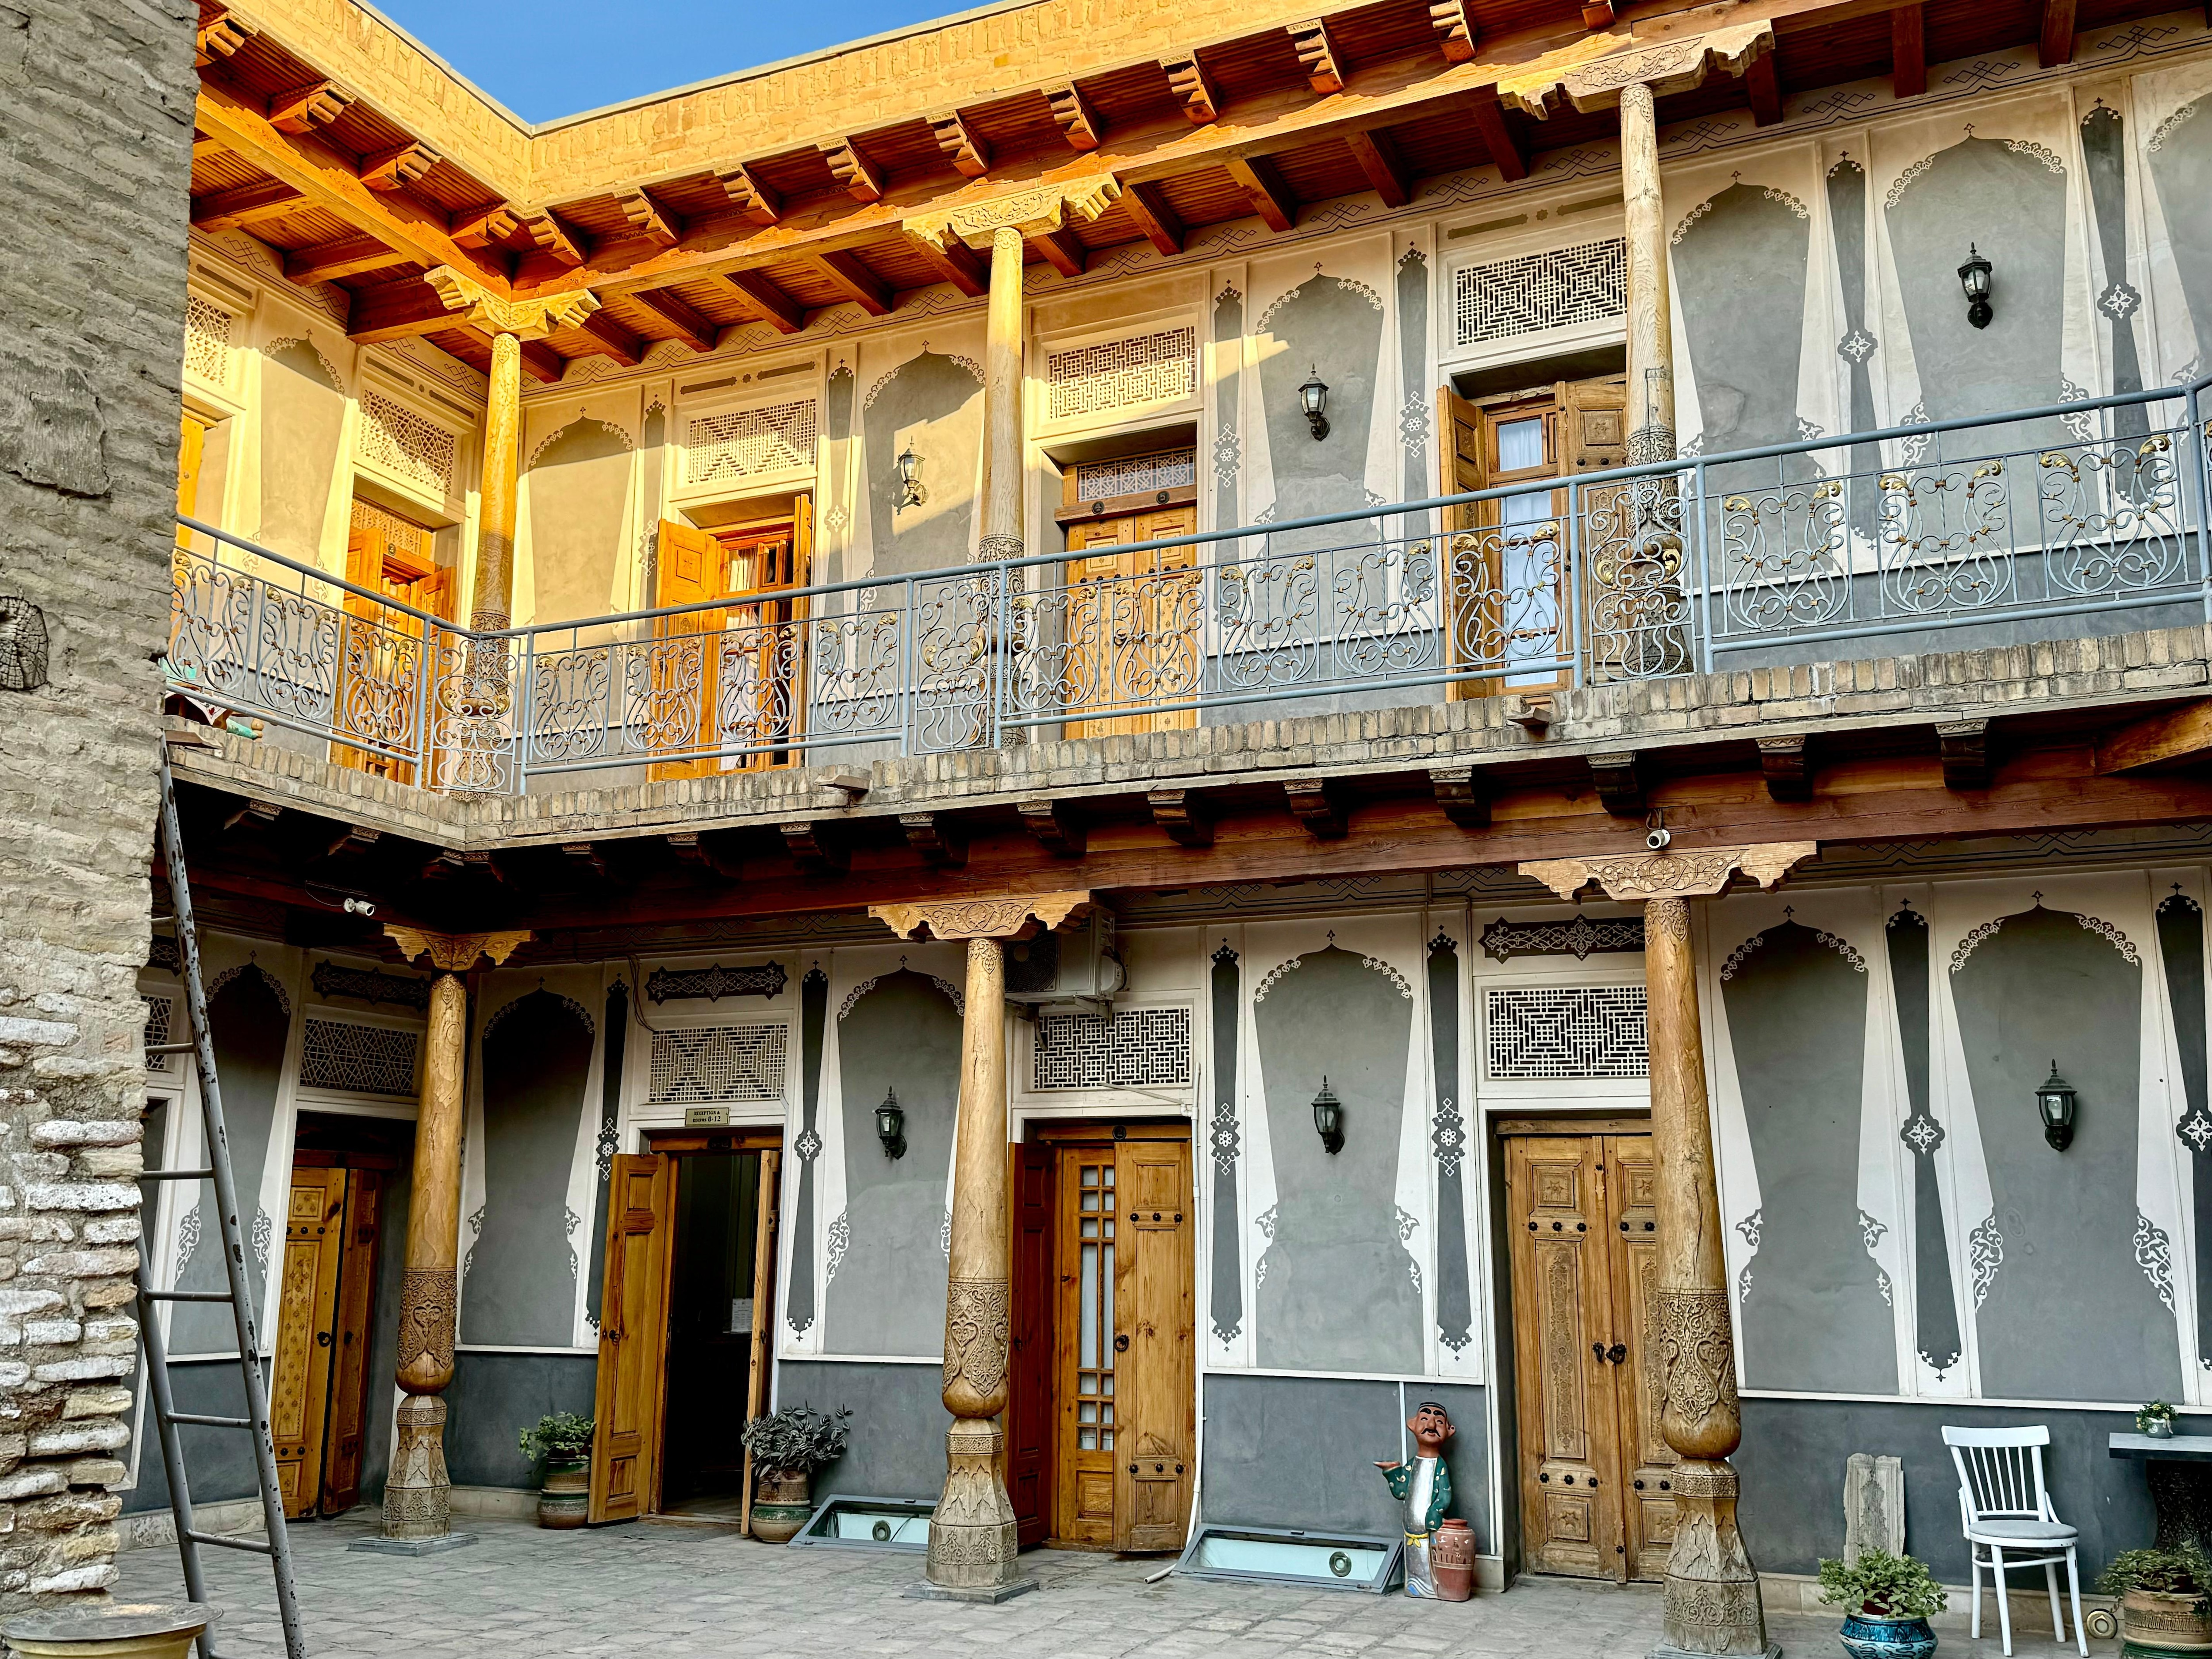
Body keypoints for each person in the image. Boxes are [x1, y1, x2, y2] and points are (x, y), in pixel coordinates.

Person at [1375, 1400, 1454, 1596]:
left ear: (1450, 1431)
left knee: (1431, 1559)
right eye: (1425, 1419)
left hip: (1430, 1529)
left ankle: (1433, 1588)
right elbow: (1401, 1492)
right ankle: (1415, 1586)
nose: (1432, 1425)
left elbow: (1445, 1493)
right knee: (1414, 1559)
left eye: (1439, 1422)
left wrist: (1435, 1512)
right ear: (1413, 1425)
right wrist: (1392, 1471)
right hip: (1410, 1532)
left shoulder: (1440, 1466)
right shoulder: (1412, 1465)